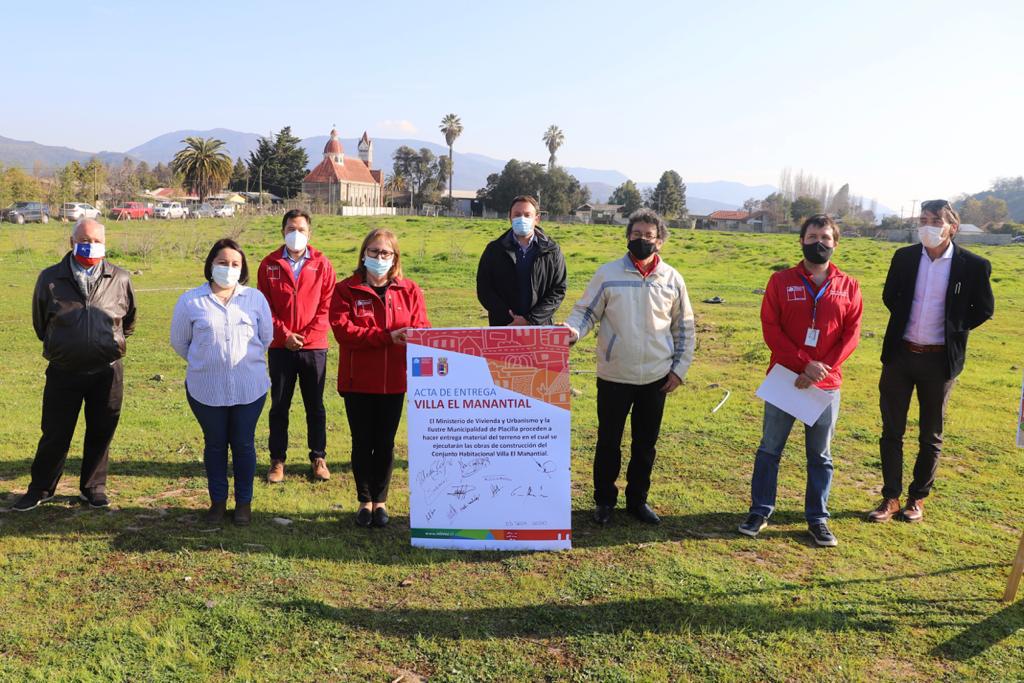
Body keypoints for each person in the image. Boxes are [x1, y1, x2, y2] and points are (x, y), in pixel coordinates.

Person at [737, 214, 863, 547]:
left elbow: (851, 334)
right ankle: (760, 510)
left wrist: (822, 368)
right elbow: (771, 327)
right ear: (801, 240)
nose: (818, 242)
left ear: (835, 242)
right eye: (812, 236)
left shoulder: (849, 286)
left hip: (825, 384)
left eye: (825, 237)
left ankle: (818, 518)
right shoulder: (780, 281)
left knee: (820, 456)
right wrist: (804, 364)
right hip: (785, 379)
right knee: (769, 449)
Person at [564, 208, 695, 526]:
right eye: (636, 234)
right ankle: (604, 501)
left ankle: (637, 500)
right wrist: (572, 330)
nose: (642, 240)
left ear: (660, 241)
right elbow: (586, 312)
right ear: (628, 237)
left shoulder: (672, 279)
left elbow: (684, 328)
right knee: (608, 440)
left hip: (656, 377)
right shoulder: (608, 274)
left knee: (645, 443)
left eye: (649, 236)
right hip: (614, 374)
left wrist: (679, 369)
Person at [867, 199, 994, 523]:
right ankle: (890, 498)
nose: (928, 225)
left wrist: (954, 328)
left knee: (930, 434)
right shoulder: (905, 258)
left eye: (935, 220)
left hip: (939, 362)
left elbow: (984, 309)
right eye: (923, 219)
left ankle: (916, 499)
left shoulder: (973, 265)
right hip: (900, 355)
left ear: (952, 226)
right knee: (891, 430)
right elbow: (889, 296)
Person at [12, 218, 136, 511]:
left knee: (101, 430)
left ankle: (93, 487)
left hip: (107, 372)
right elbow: (41, 323)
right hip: (63, 370)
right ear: (71, 242)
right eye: (84, 239)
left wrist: (108, 343)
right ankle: (41, 487)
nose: (90, 246)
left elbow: (128, 322)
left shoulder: (120, 278)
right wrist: (68, 344)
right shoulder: (50, 278)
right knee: (55, 432)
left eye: (96, 241)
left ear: (105, 244)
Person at [330, 228, 429, 528]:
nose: (379, 257)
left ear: (395, 258)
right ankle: (364, 501)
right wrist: (387, 337)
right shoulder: (346, 289)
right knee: (362, 442)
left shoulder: (409, 290)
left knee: (385, 443)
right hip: (358, 381)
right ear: (363, 253)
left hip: (394, 381)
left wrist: (416, 335)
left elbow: (423, 326)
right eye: (374, 251)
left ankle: (381, 501)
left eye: (385, 253)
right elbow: (344, 331)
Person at [170, 239, 273, 526]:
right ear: (210, 265)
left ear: (242, 269)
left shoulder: (255, 299)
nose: (229, 269)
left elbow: (266, 337)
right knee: (214, 445)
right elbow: (180, 342)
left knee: (243, 444)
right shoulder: (191, 301)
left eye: (235, 264)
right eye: (222, 263)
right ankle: (217, 502)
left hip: (248, 389)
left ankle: (243, 503)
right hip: (206, 390)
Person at [257, 209, 336, 484]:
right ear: (282, 231)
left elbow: (327, 306)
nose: (296, 234)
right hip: (280, 346)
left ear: (309, 233)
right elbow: (265, 307)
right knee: (279, 405)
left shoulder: (323, 264)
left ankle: (318, 457)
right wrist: (285, 334)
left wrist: (307, 335)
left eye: (301, 229)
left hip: (314, 348)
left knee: (315, 405)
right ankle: (277, 460)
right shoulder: (268, 265)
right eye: (291, 228)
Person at [476, 195, 566, 326]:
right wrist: (508, 317)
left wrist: (531, 319)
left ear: (537, 219)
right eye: (517, 215)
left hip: (539, 327)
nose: (522, 219)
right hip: (503, 327)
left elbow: (558, 290)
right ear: (510, 218)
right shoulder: (494, 250)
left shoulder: (551, 251)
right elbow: (484, 289)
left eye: (527, 215)